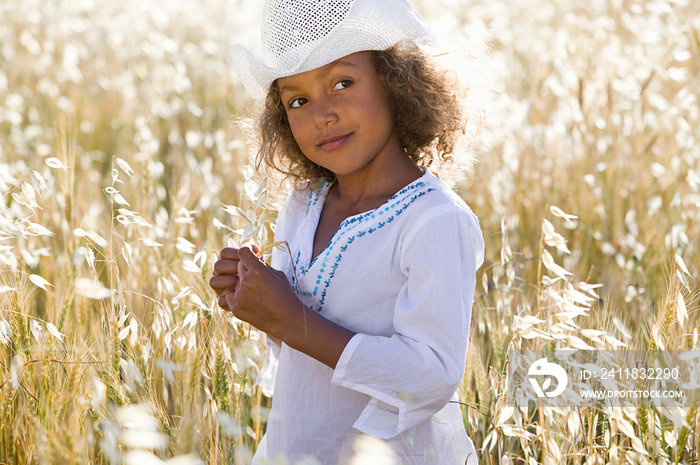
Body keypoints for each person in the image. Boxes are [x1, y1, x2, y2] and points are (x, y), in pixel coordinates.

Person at [209, 0, 484, 463]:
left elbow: (431, 376)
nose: (321, 114)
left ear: (398, 83)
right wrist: (257, 299)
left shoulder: (433, 221)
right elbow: (298, 354)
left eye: (342, 82)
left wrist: (289, 318)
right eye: (297, 100)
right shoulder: (302, 206)